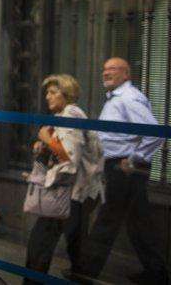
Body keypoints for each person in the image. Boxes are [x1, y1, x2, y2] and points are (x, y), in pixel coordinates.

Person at [70, 57, 168, 284]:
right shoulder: (116, 98)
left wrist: (134, 160)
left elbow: (155, 132)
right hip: (119, 167)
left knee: (107, 219)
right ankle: (157, 274)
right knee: (138, 222)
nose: (106, 73)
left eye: (113, 69)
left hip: (124, 169)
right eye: (104, 69)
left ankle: (85, 272)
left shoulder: (129, 98)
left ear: (127, 74)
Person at [24, 74, 104, 284]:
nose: (47, 96)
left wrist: (47, 139)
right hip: (78, 193)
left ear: (66, 94)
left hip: (69, 193)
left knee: (40, 243)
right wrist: (46, 145)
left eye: (53, 92)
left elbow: (70, 161)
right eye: (46, 92)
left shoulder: (70, 115)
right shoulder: (67, 115)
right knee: (75, 244)